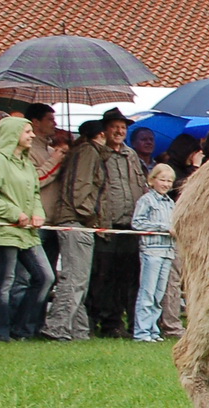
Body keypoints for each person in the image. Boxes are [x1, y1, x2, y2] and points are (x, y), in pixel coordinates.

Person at [0, 116, 55, 340]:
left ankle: (22, 329)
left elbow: (35, 193)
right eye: (27, 131)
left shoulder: (27, 163)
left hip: (28, 233)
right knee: (4, 282)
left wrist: (38, 213)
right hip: (3, 232)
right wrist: (13, 213)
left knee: (45, 278)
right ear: (13, 134)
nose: (32, 135)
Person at [39, 119, 107, 341]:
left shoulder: (84, 151)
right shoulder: (89, 152)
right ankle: (56, 326)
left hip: (73, 220)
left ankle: (78, 330)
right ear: (101, 135)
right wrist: (90, 216)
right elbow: (80, 189)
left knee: (79, 279)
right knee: (75, 278)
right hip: (76, 221)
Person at [88, 110, 146, 338]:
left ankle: (119, 323)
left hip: (130, 226)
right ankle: (98, 321)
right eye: (115, 127)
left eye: (123, 127)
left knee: (127, 278)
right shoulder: (98, 154)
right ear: (105, 130)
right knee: (103, 277)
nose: (120, 131)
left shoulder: (131, 155)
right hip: (106, 225)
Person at [131, 163, 177, 341]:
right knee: (147, 293)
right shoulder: (146, 200)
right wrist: (163, 227)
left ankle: (153, 330)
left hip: (167, 251)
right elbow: (137, 222)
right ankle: (141, 332)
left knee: (158, 294)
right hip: (152, 251)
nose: (166, 184)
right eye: (162, 180)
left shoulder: (170, 203)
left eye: (169, 181)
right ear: (152, 180)